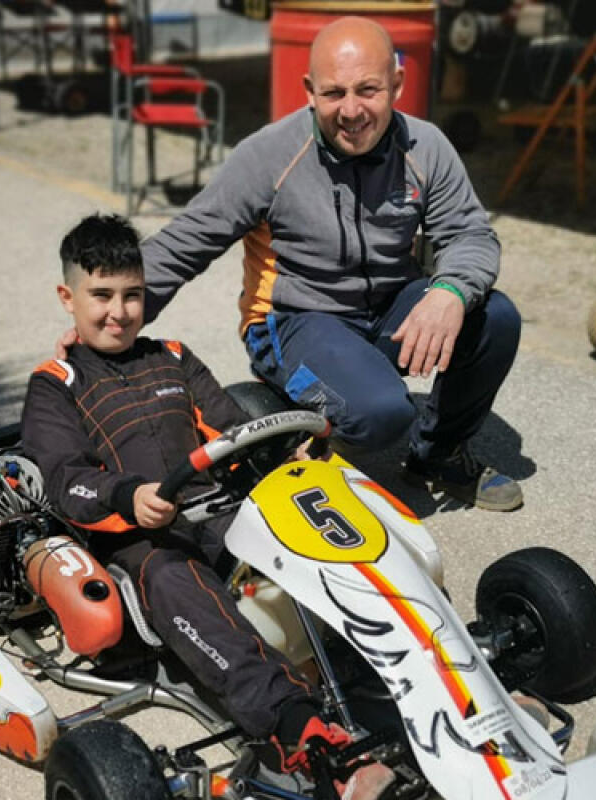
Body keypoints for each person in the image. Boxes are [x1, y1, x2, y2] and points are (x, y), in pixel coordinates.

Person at [22, 213, 394, 798]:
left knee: (320, 524)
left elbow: (227, 425)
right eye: (101, 296)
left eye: (131, 295)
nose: (118, 312)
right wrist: (129, 496)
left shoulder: (171, 356)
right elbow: (66, 480)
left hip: (215, 507)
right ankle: (298, 731)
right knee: (175, 579)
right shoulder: (56, 383)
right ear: (68, 297)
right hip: (137, 539)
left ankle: (421, 661)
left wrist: (283, 446)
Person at [137, 16, 523, 511]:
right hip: (295, 318)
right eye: (334, 93)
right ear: (309, 91)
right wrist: (105, 319)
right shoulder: (268, 155)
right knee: (381, 414)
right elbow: (183, 243)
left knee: (494, 316)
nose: (352, 110)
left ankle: (439, 454)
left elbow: (470, 233)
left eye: (369, 90)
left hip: (385, 309)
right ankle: (302, 419)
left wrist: (449, 291)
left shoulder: (426, 147)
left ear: (398, 85)